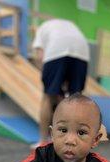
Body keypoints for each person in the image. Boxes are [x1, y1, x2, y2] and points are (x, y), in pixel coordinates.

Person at [32, 19, 90, 147]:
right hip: (82, 52)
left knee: (47, 96)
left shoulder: (41, 28)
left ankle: (42, 141)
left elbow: (39, 57)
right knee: (75, 99)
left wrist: (48, 79)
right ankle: (74, 142)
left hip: (57, 50)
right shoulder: (71, 25)